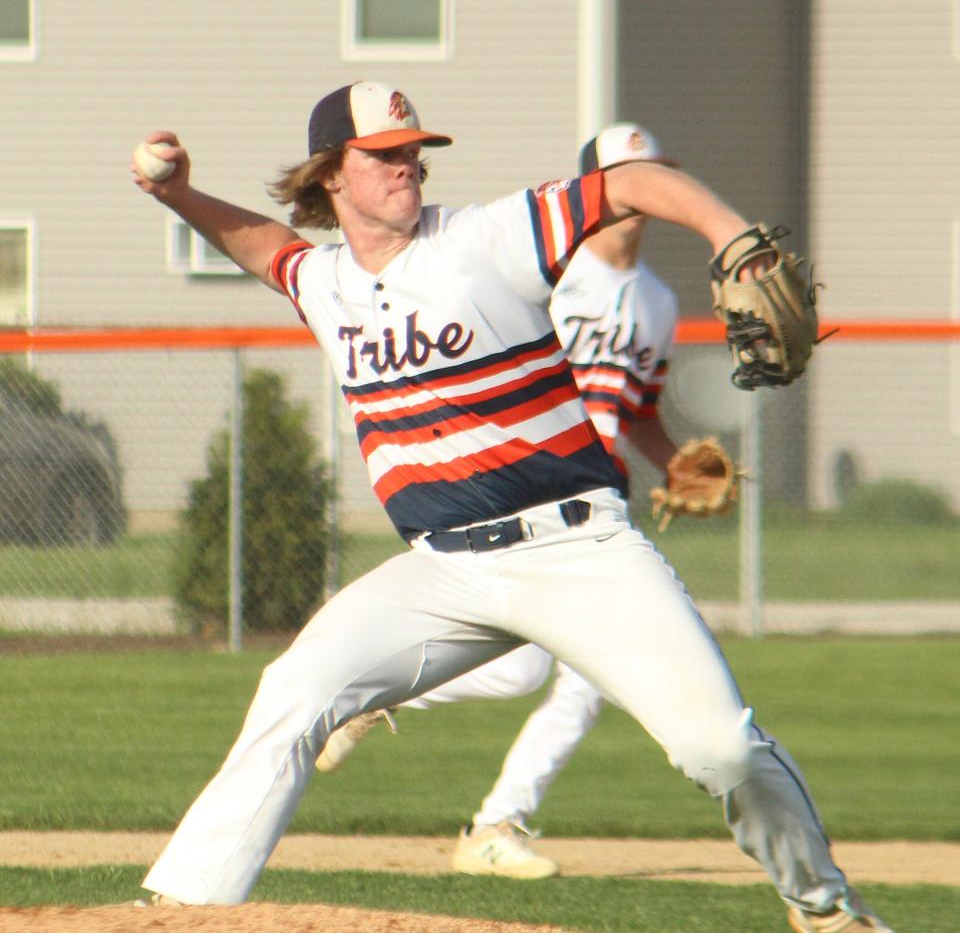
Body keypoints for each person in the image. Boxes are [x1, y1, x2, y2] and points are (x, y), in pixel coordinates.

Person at [130, 81, 894, 933]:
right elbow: (266, 246)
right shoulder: (325, 281)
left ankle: (826, 909)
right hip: (445, 568)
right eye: (383, 154)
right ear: (331, 177)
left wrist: (730, 234)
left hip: (579, 549)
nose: (405, 165)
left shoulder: (484, 237)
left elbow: (630, 183)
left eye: (412, 150)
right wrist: (177, 195)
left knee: (718, 746)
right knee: (295, 691)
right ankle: (180, 912)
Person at [315, 122, 686, 882]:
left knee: (565, 681)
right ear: (595, 184)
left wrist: (677, 467)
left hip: (595, 515)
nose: (640, 195)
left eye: (651, 175)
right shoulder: (549, 269)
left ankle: (485, 815)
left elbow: (637, 409)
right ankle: (484, 810)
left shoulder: (657, 301)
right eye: (624, 176)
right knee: (544, 675)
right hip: (508, 498)